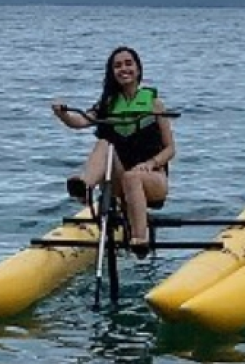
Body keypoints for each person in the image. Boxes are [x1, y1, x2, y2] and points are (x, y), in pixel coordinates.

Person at [52, 46, 175, 258]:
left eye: (128, 64)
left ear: (138, 69)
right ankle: (85, 186)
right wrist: (62, 114)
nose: (123, 69)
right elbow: (80, 121)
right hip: (119, 179)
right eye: (117, 66)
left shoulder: (154, 103)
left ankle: (140, 238)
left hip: (152, 179)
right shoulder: (107, 104)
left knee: (132, 176)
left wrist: (151, 163)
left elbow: (171, 148)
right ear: (112, 72)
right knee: (104, 144)